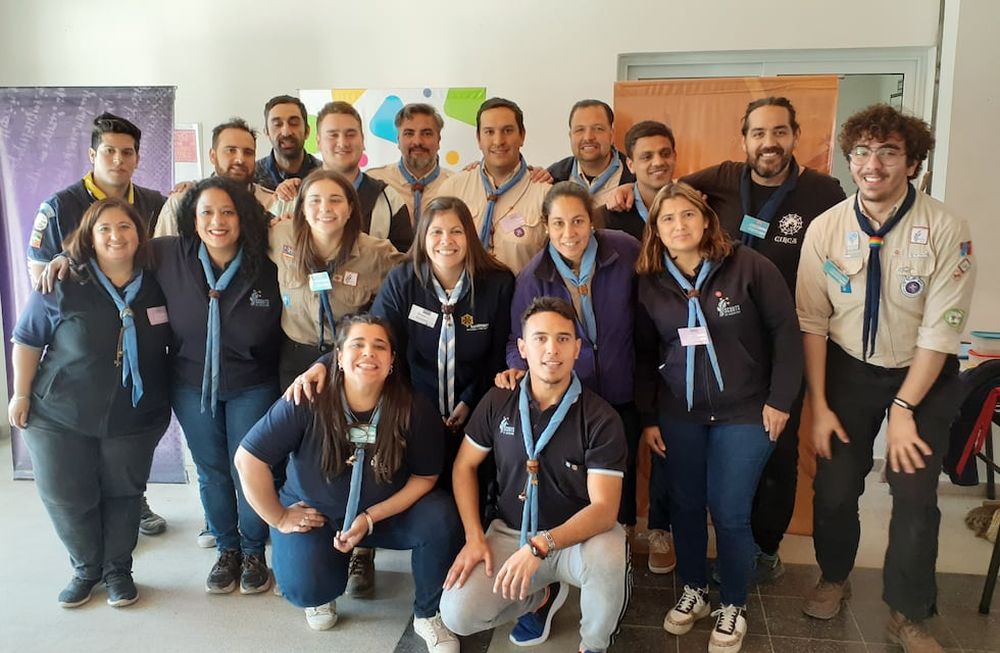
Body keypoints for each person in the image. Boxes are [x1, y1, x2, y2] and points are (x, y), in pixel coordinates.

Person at [796, 104, 976, 651]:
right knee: (833, 488)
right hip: (848, 371)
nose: (873, 164)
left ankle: (909, 613)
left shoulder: (946, 229)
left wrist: (903, 410)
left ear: (913, 162)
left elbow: (940, 334)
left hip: (924, 377)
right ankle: (834, 577)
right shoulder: (826, 229)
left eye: (889, 152)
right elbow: (813, 322)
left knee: (916, 498)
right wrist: (820, 404)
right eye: (863, 152)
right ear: (850, 160)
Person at [682, 96, 846, 583]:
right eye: (758, 133)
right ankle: (733, 539)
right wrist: (631, 192)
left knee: (777, 451)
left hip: (784, 345)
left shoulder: (823, 192)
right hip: (724, 341)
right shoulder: (726, 178)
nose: (768, 143)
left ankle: (765, 547)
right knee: (731, 448)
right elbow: (671, 193)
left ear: (795, 135)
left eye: (778, 132)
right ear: (745, 138)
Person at [635, 181, 802, 653]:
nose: (679, 225)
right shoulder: (649, 281)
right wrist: (649, 417)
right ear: (656, 230)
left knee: (729, 512)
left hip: (746, 411)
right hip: (679, 414)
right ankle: (695, 589)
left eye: (687, 215)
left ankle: (733, 603)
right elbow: (646, 354)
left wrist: (781, 400)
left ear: (706, 219)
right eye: (667, 219)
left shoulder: (750, 267)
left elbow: (786, 334)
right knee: (686, 507)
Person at [234, 314, 462, 652]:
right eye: (357, 345)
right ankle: (322, 587)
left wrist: (371, 517)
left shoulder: (414, 407)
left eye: (379, 346)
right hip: (317, 515)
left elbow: (425, 477)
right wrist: (279, 518)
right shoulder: (307, 397)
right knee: (305, 586)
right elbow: (248, 459)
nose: (368, 353)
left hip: (383, 515)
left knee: (441, 517)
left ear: (391, 361)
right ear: (338, 357)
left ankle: (428, 614)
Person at [440, 297, 629, 653]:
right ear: (523, 348)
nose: (551, 349)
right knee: (457, 615)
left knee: (610, 551)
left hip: (577, 540)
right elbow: (464, 465)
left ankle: (594, 645)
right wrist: (473, 536)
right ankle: (540, 597)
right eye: (540, 338)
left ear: (577, 349)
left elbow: (605, 509)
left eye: (562, 339)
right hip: (512, 533)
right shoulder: (498, 400)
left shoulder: (601, 418)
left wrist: (543, 545)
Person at [9, 198, 171, 608]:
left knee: (124, 494)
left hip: (134, 414)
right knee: (67, 494)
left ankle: (118, 570)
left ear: (139, 234)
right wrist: (21, 393)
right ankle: (85, 568)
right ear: (89, 236)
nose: (116, 236)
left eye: (125, 227)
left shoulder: (159, 282)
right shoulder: (62, 281)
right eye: (105, 229)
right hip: (59, 413)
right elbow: (27, 339)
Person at [25, 110, 168, 537]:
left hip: (137, 337)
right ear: (92, 154)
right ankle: (90, 539)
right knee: (80, 445)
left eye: (127, 152)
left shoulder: (155, 205)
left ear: (138, 158)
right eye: (109, 151)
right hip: (84, 343)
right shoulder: (60, 206)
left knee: (126, 435)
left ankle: (133, 504)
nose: (118, 160)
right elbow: (41, 279)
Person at [497, 181, 647, 552]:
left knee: (620, 468)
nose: (569, 233)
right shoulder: (532, 277)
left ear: (592, 221)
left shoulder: (625, 250)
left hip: (623, 385)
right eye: (559, 223)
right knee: (576, 473)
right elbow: (519, 335)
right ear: (546, 225)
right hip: (572, 395)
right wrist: (518, 366)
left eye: (578, 221)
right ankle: (570, 544)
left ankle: (620, 539)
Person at [155, 177, 283, 595]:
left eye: (227, 211)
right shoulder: (170, 255)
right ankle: (226, 548)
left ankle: (252, 551)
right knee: (210, 469)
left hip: (253, 383)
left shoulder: (266, 262)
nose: (217, 221)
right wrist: (66, 259)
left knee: (247, 467)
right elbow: (111, 250)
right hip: (192, 383)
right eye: (207, 212)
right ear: (192, 219)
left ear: (242, 217)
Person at [372, 195, 514, 453]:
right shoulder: (402, 280)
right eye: (436, 232)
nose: (446, 241)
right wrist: (417, 405)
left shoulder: (498, 283)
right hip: (414, 406)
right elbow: (383, 344)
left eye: (456, 232)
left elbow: (498, 356)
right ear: (423, 237)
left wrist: (470, 401)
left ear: (469, 236)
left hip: (480, 407)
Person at [272, 101, 413, 252]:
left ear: (363, 140)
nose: (342, 142)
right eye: (333, 135)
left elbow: (404, 265)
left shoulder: (389, 200)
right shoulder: (290, 197)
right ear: (318, 142)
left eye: (350, 134)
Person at [434, 97, 550, 274]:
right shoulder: (452, 189)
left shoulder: (545, 194)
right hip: (461, 298)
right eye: (489, 132)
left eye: (507, 130)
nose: (498, 141)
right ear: (478, 138)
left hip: (521, 299)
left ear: (522, 135)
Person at [154, 118, 276, 237]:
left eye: (248, 152)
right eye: (231, 150)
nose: (240, 159)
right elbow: (161, 254)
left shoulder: (273, 204)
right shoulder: (181, 203)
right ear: (213, 156)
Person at [367, 103, 453, 225]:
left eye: (427, 133)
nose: (417, 141)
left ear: (438, 140)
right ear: (398, 140)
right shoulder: (374, 182)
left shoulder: (457, 185)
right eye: (409, 133)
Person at [601, 120, 677, 241]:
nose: (658, 162)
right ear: (631, 165)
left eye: (665, 154)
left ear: (674, 157)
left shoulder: (693, 207)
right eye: (647, 157)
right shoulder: (607, 218)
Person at [547, 100, 634, 205]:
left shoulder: (636, 178)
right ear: (570, 136)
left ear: (612, 135)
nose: (588, 137)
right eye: (580, 130)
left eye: (598, 129)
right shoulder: (552, 178)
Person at [253, 94, 322, 190]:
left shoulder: (324, 174)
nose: (286, 132)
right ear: (267, 132)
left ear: (307, 131)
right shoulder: (252, 177)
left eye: (294, 123)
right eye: (277, 124)